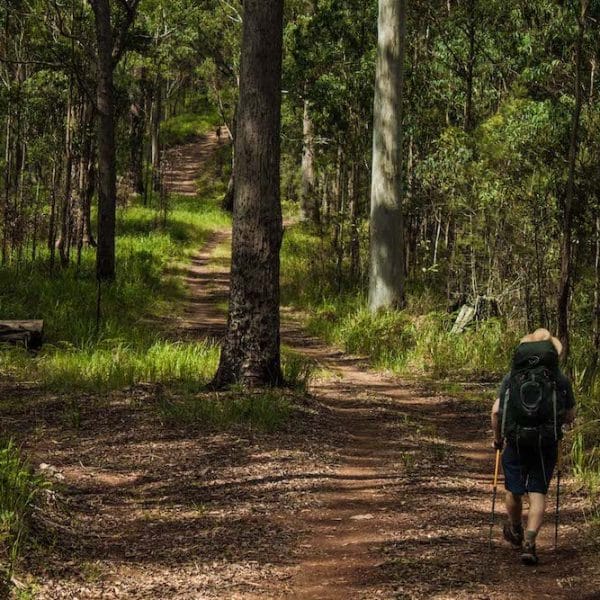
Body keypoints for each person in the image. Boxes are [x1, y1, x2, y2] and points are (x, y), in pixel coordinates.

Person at [491, 328, 576, 565]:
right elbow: (570, 415)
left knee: (513, 490)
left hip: (515, 440)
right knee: (538, 492)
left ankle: (515, 528)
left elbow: (496, 411)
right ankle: (529, 541)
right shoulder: (559, 379)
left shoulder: (512, 377)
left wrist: (498, 439)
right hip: (545, 443)